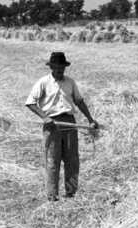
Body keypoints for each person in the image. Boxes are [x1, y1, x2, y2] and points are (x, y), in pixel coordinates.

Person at [24, 51, 99, 201]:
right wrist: (45, 118)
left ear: (65, 67)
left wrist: (90, 119)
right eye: (56, 67)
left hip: (70, 124)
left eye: (62, 67)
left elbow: (79, 101)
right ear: (51, 67)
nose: (59, 70)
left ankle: (71, 193)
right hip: (52, 125)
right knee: (52, 160)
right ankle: (52, 196)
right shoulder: (43, 83)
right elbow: (30, 102)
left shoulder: (70, 82)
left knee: (72, 160)